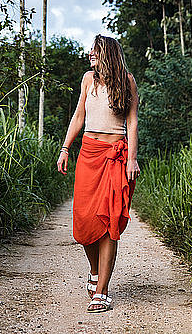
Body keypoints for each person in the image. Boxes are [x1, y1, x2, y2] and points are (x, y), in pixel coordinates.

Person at [57, 34, 140, 313]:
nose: (90, 53)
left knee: (109, 223)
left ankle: (102, 290)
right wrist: (65, 148)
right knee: (84, 220)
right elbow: (79, 116)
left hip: (116, 156)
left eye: (95, 50)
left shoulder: (127, 81)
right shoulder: (87, 80)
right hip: (89, 154)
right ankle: (94, 271)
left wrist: (132, 159)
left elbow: (132, 121)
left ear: (108, 53)